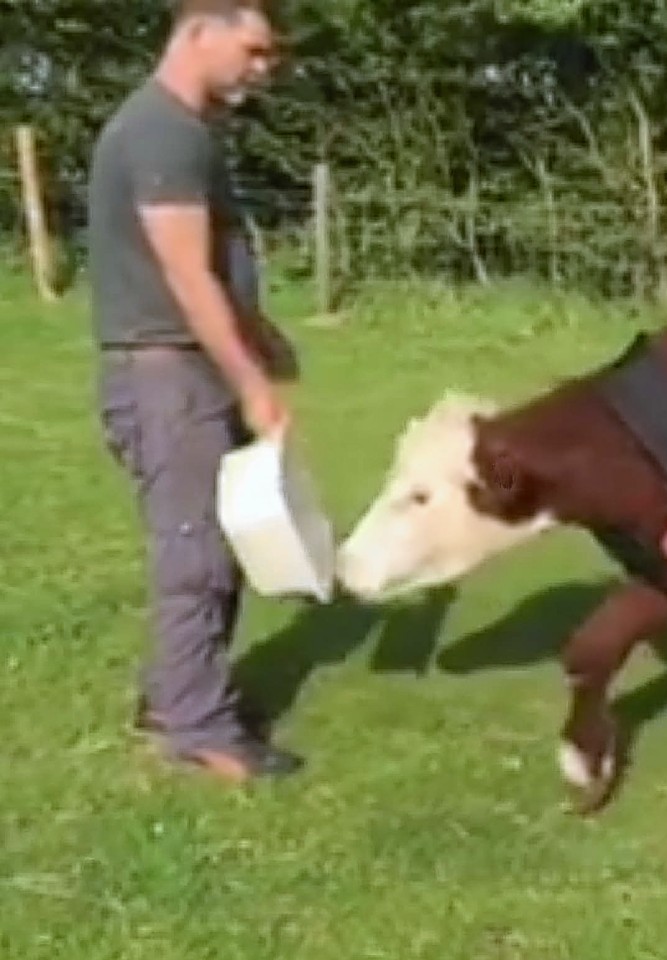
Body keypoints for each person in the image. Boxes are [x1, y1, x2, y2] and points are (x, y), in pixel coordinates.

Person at [87, 0, 302, 783]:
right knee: (196, 554)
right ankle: (200, 731)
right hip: (167, 376)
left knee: (225, 542)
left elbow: (209, 264)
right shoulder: (162, 133)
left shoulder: (187, 131)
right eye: (254, 50)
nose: (264, 69)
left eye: (271, 56)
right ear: (198, 30)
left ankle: (176, 695)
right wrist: (251, 384)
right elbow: (184, 275)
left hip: (188, 366)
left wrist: (259, 332)